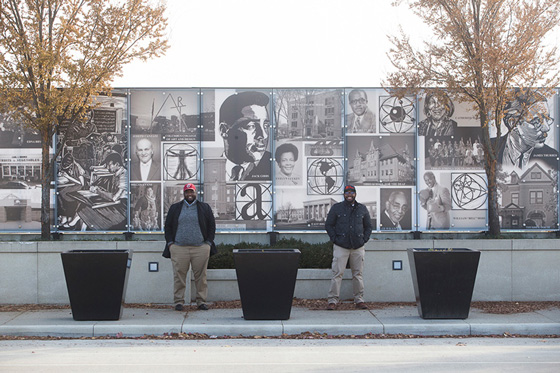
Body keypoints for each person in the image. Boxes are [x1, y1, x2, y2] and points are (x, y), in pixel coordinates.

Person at [163, 183, 216, 311]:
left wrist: (208, 243)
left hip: (200, 248)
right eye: (187, 192)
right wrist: (171, 243)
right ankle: (179, 302)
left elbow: (211, 226)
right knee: (179, 276)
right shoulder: (175, 208)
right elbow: (168, 226)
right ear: (184, 193)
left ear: (195, 193)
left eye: (191, 192)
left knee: (201, 277)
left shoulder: (204, 207)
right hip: (179, 248)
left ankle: (201, 301)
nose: (189, 194)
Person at [324, 184, 373, 310]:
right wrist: (335, 239)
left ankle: (359, 300)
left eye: (351, 192)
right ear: (344, 194)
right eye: (347, 192)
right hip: (341, 246)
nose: (349, 194)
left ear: (355, 194)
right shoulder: (337, 208)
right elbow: (329, 225)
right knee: (337, 274)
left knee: (358, 274)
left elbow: (368, 226)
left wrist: (364, 239)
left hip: (358, 247)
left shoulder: (362, 209)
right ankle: (333, 301)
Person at [495, 89, 557, 170]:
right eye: (537, 121)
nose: (547, 128)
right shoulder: (488, 149)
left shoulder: (552, 157)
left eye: (547, 119)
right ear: (513, 123)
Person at [219, 91, 271, 181]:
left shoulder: (274, 167)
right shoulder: (209, 169)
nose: (263, 135)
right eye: (251, 126)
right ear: (224, 130)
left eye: (266, 126)